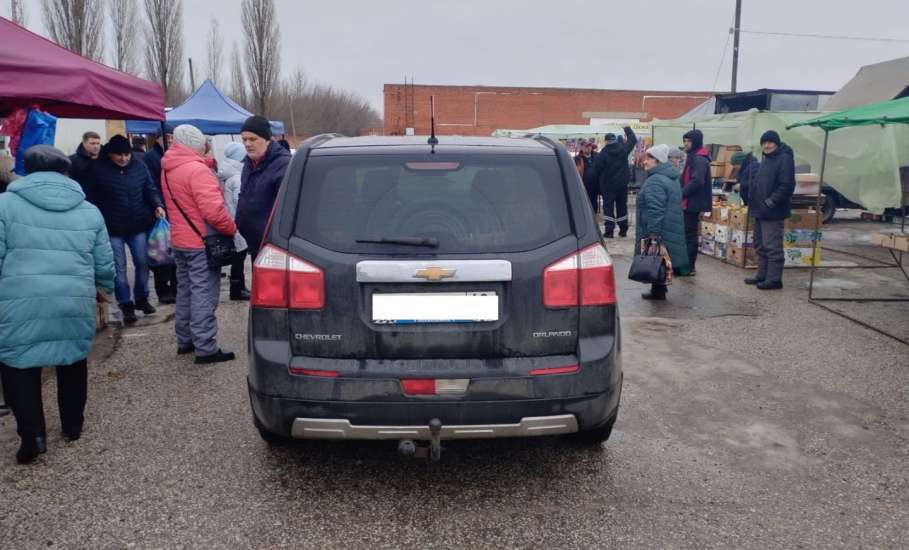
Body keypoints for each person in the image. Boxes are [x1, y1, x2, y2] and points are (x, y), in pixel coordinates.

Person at [0, 145, 115, 464]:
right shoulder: (88, 210)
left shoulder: (4, 205)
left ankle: (33, 437)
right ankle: (73, 426)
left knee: (19, 363)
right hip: (72, 297)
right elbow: (104, 262)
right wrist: (104, 288)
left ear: (26, 169)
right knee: (72, 357)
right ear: (65, 172)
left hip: (19, 300)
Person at [161, 125, 238, 364]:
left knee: (185, 291)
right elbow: (214, 212)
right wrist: (231, 228)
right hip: (201, 242)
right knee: (203, 293)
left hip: (181, 241)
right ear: (196, 144)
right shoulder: (198, 170)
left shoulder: (168, 168)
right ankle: (205, 347)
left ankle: (185, 340)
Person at [91, 135, 165, 324]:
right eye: (119, 155)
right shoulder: (98, 169)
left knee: (142, 263)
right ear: (110, 154)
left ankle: (141, 298)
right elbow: (90, 197)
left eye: (126, 154)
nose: (123, 158)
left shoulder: (139, 166)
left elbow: (149, 188)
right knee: (119, 268)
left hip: (137, 224)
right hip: (112, 227)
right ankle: (126, 304)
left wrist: (157, 204)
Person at [635, 145, 690, 300]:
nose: (644, 162)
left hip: (659, 226)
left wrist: (653, 233)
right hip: (668, 225)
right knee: (660, 257)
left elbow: (655, 210)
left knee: (655, 256)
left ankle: (658, 290)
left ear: (658, 161)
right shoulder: (669, 177)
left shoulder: (655, 181)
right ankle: (659, 289)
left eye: (648, 158)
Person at [236, 115, 291, 260]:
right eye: (244, 140)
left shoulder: (283, 164)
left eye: (253, 139)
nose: (247, 144)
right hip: (254, 243)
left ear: (267, 139)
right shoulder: (249, 163)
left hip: (273, 245)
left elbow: (287, 208)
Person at [745, 131, 796, 290]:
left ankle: (774, 280)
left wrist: (771, 202)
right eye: (764, 142)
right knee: (760, 244)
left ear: (777, 143)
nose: (766, 145)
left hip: (773, 211)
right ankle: (762, 275)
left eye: (770, 142)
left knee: (772, 246)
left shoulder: (784, 159)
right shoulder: (767, 159)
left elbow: (787, 185)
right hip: (760, 210)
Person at [142, 133, 177, 304]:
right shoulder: (150, 158)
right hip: (159, 210)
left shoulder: (174, 156)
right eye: (167, 137)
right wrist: (157, 205)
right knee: (161, 251)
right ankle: (163, 289)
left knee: (175, 252)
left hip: (174, 209)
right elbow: (150, 185)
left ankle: (176, 287)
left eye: (172, 138)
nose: (169, 141)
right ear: (157, 138)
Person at [590, 126, 637, 238]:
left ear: (606, 141)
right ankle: (623, 230)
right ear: (615, 140)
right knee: (622, 206)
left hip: (608, 186)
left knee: (608, 207)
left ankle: (609, 231)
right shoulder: (623, 150)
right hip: (622, 185)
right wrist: (627, 128)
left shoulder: (603, 154)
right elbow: (633, 140)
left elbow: (595, 171)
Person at [218, 142, 251, 301]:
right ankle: (237, 289)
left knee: (239, 254)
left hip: (229, 218)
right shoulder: (237, 177)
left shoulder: (226, 173)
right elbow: (241, 202)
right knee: (240, 254)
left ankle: (238, 287)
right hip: (237, 220)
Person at [680, 129, 712, 275]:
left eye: (688, 141)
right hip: (689, 201)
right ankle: (686, 265)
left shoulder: (699, 159)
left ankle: (689, 267)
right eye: (684, 141)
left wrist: (682, 193)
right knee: (688, 234)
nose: (685, 144)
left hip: (692, 202)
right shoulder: (693, 156)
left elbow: (697, 181)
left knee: (690, 236)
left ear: (695, 142)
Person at [68, 131, 102, 201]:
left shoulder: (104, 159)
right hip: (81, 200)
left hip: (103, 202)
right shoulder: (72, 160)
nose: (96, 146)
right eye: (92, 143)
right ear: (84, 143)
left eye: (98, 143)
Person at [574, 140, 599, 218]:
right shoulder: (577, 159)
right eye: (586, 146)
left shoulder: (597, 156)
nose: (588, 148)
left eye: (590, 146)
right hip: (583, 185)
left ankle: (594, 217)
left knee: (594, 202)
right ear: (581, 148)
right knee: (585, 202)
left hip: (596, 185)